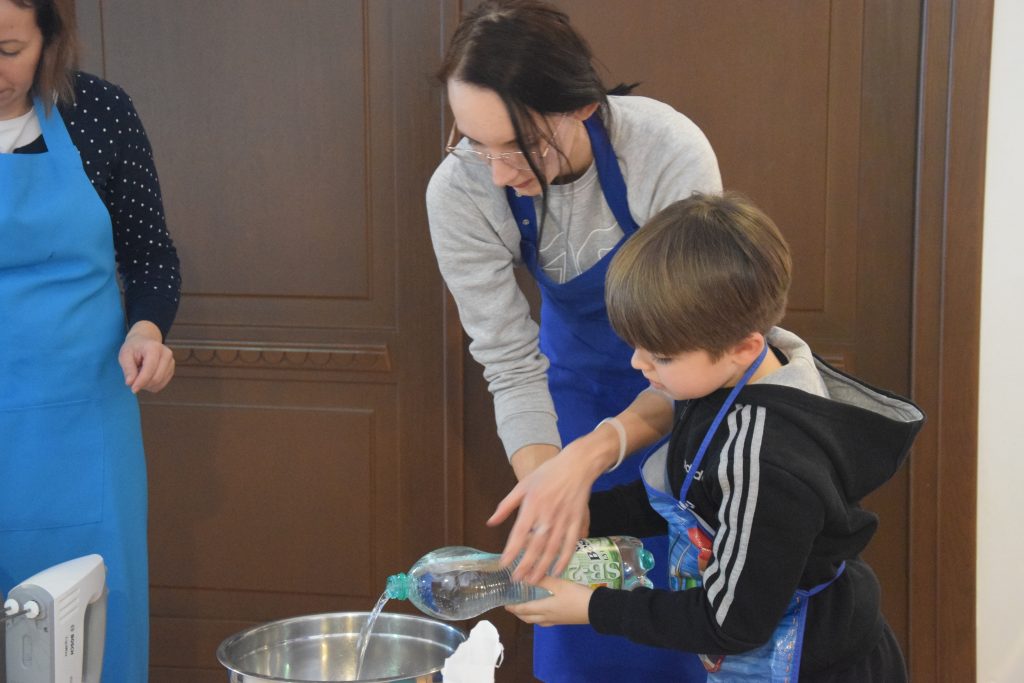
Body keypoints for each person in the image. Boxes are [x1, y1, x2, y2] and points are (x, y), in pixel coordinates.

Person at [506, 192, 924, 682]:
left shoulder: (768, 460)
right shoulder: (723, 381)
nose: (638, 364)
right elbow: (691, 497)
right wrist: (579, 517)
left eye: (661, 356)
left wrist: (590, 607)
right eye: (636, 346)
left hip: (815, 666)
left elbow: (729, 623)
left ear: (743, 348)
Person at [426, 0, 718, 679]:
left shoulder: (664, 153)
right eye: (474, 142)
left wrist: (596, 453)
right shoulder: (462, 189)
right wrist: (550, 485)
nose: (497, 172)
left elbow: (698, 354)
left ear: (581, 107)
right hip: (573, 401)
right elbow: (508, 362)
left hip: (690, 403)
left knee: (686, 620)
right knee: (577, 623)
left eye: (517, 146)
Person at [0, 0, 180, 679]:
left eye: (8, 50)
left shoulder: (99, 113)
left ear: (50, 38)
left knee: (96, 624)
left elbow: (151, 258)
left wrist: (147, 331)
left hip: (84, 421)